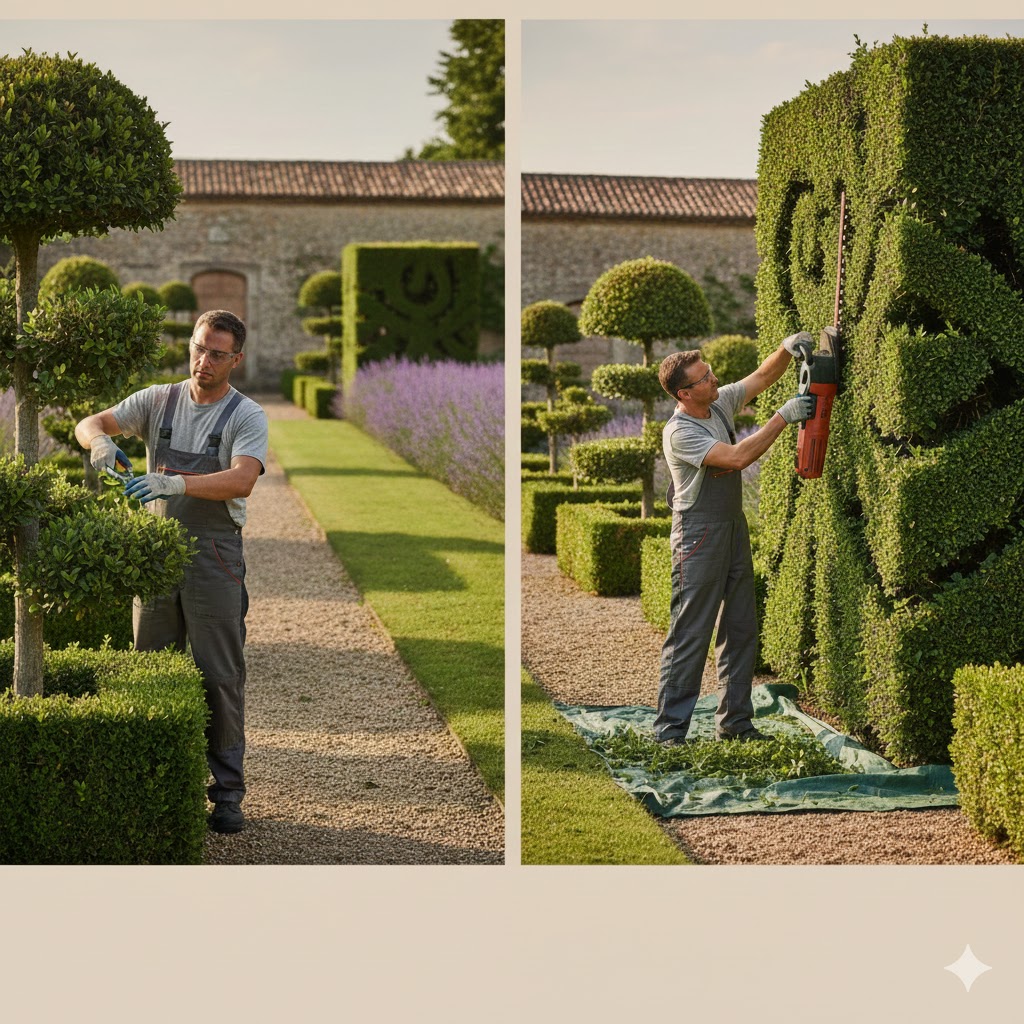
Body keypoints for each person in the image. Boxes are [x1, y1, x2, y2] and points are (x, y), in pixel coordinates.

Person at [74, 309, 268, 834]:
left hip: (214, 554)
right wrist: (101, 443)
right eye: (199, 348)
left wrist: (176, 484)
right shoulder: (157, 398)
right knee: (148, 667)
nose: (204, 362)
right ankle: (149, 782)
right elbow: (90, 422)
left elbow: (243, 479)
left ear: (237, 360)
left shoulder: (246, 415)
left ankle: (226, 793)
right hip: (155, 552)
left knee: (219, 675)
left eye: (217, 354)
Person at [654, 333, 815, 745]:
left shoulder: (717, 402)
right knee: (692, 632)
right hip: (698, 535)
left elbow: (762, 376)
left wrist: (786, 346)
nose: (715, 379)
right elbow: (738, 458)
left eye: (710, 373)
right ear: (684, 393)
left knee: (741, 627)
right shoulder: (680, 432)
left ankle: (736, 724)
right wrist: (782, 417)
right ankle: (669, 732)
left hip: (732, 526)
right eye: (705, 378)